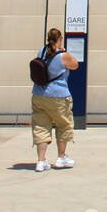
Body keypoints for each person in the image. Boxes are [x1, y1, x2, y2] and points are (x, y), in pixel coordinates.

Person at [32, 27, 79, 171]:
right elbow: (75, 65)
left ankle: (41, 161)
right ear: (59, 39)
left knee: (40, 127)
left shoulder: (41, 51)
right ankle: (61, 157)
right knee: (63, 125)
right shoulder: (63, 55)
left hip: (39, 94)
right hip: (59, 95)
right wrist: (63, 51)